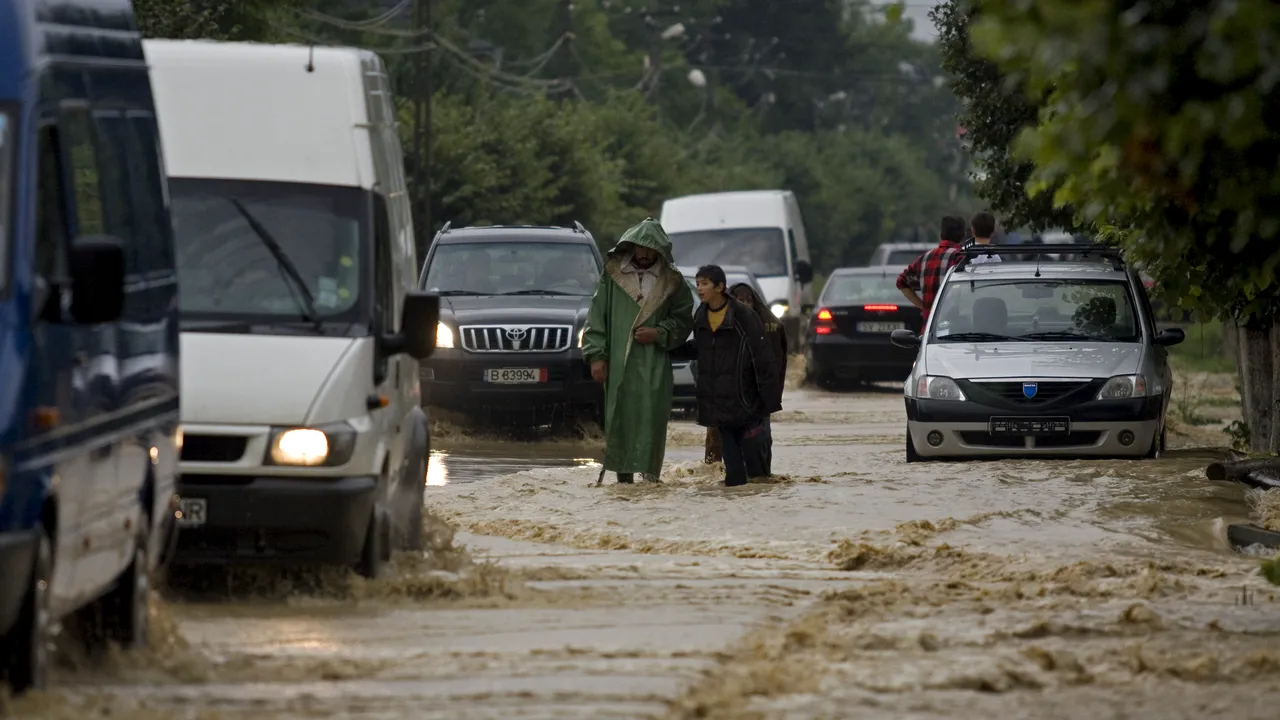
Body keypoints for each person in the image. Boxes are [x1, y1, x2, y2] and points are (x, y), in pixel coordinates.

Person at [582, 218, 694, 484]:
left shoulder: (672, 281)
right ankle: (623, 479)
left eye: (650, 249)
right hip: (620, 360)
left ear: (659, 251)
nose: (644, 254)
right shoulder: (612, 274)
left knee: (651, 416)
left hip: (654, 360)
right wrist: (597, 355)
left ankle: (651, 477)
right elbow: (597, 316)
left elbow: (683, 318)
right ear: (631, 247)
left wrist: (659, 333)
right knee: (621, 414)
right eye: (639, 248)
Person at [692, 265, 782, 487]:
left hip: (747, 404)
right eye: (698, 284)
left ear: (720, 287)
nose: (700, 289)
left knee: (758, 476)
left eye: (704, 283)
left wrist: (767, 402)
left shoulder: (743, 316)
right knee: (734, 479)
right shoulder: (701, 315)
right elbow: (700, 349)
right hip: (721, 406)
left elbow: (763, 358)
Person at [896, 214, 967, 328]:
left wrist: (923, 306)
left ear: (941, 234)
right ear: (963, 235)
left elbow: (901, 282)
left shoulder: (924, 258)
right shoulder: (961, 258)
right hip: (955, 331)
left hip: (929, 332)